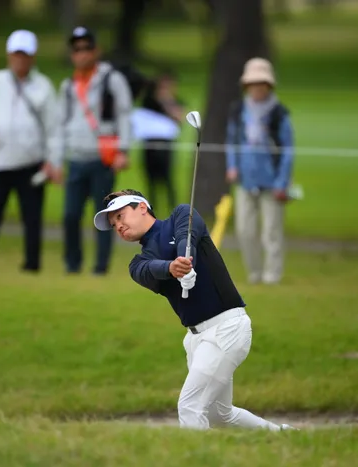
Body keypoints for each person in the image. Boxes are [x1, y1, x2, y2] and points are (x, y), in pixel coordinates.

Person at [93, 188, 297, 432]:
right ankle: (284, 435)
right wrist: (172, 268)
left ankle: (194, 453)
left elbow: (186, 234)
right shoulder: (137, 264)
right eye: (113, 224)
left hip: (226, 328)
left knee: (190, 406)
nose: (118, 226)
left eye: (120, 216)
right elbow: (150, 270)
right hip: (196, 339)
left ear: (142, 207)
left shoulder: (181, 214)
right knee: (219, 415)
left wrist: (184, 261)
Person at [0, 29, 60, 273]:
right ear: (9, 55)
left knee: (32, 218)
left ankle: (32, 265)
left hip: (32, 163)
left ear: (33, 57)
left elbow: (53, 128)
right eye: (17, 54)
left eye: (25, 55)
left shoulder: (43, 86)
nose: (20, 59)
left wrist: (53, 161)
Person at [56, 27, 133, 275]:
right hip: (76, 158)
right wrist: (56, 160)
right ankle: (72, 264)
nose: (82, 53)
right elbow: (60, 124)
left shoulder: (112, 79)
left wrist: (123, 150)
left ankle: (101, 266)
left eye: (86, 48)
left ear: (96, 51)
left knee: (104, 216)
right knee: (70, 215)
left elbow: (124, 115)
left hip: (103, 158)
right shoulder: (68, 85)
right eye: (77, 49)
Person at [225, 58, 295, 285]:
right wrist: (232, 166)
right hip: (245, 179)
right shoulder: (238, 110)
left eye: (261, 83)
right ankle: (254, 272)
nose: (257, 88)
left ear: (268, 85)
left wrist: (282, 182)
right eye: (253, 84)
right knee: (245, 229)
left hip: (272, 181)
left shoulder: (279, 113)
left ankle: (272, 274)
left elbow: (287, 150)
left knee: (271, 230)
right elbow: (232, 141)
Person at [140, 71, 184, 213]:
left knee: (168, 178)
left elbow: (179, 118)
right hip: (150, 144)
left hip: (166, 145)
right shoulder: (148, 102)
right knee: (150, 179)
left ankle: (173, 208)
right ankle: (152, 209)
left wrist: (166, 101)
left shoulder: (174, 101)